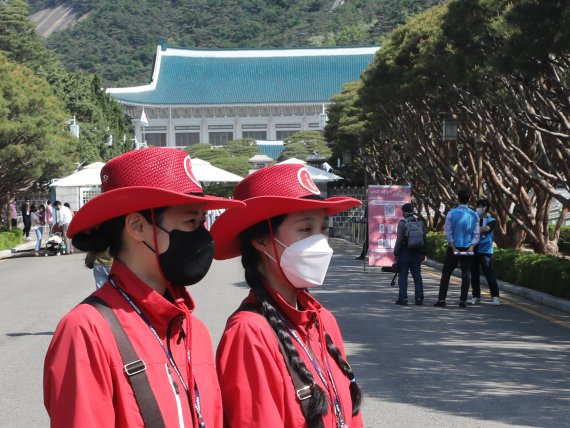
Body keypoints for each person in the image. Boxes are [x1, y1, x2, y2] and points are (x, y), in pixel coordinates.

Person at [43, 148, 244, 427]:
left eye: (202, 223)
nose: (202, 238)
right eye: (190, 222)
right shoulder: (86, 330)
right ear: (137, 226)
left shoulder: (192, 329)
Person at [212, 164, 364, 428]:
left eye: (322, 230)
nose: (320, 244)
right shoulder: (249, 332)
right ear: (261, 241)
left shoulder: (323, 320)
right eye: (306, 230)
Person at [434, 189, 480, 308]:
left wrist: (453, 247)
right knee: (466, 273)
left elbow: (448, 232)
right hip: (468, 248)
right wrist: (472, 247)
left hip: (454, 247)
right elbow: (476, 233)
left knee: (446, 273)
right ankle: (462, 301)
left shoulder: (451, 213)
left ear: (457, 199)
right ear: (469, 200)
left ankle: (441, 300)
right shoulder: (474, 214)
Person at [468, 198, 501, 306]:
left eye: (480, 207)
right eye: (477, 206)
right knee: (474, 274)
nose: (478, 209)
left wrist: (474, 229)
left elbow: (487, 229)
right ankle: (476, 296)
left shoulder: (491, 220)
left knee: (489, 274)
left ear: (485, 208)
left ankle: (495, 297)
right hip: (474, 249)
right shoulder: (473, 219)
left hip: (485, 251)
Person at [393, 203, 427, 305]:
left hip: (405, 252)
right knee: (417, 275)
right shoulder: (420, 222)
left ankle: (403, 298)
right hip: (416, 253)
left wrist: (396, 252)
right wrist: (423, 253)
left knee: (403, 275)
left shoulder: (402, 223)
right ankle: (419, 298)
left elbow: (399, 240)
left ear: (404, 212)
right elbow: (424, 239)